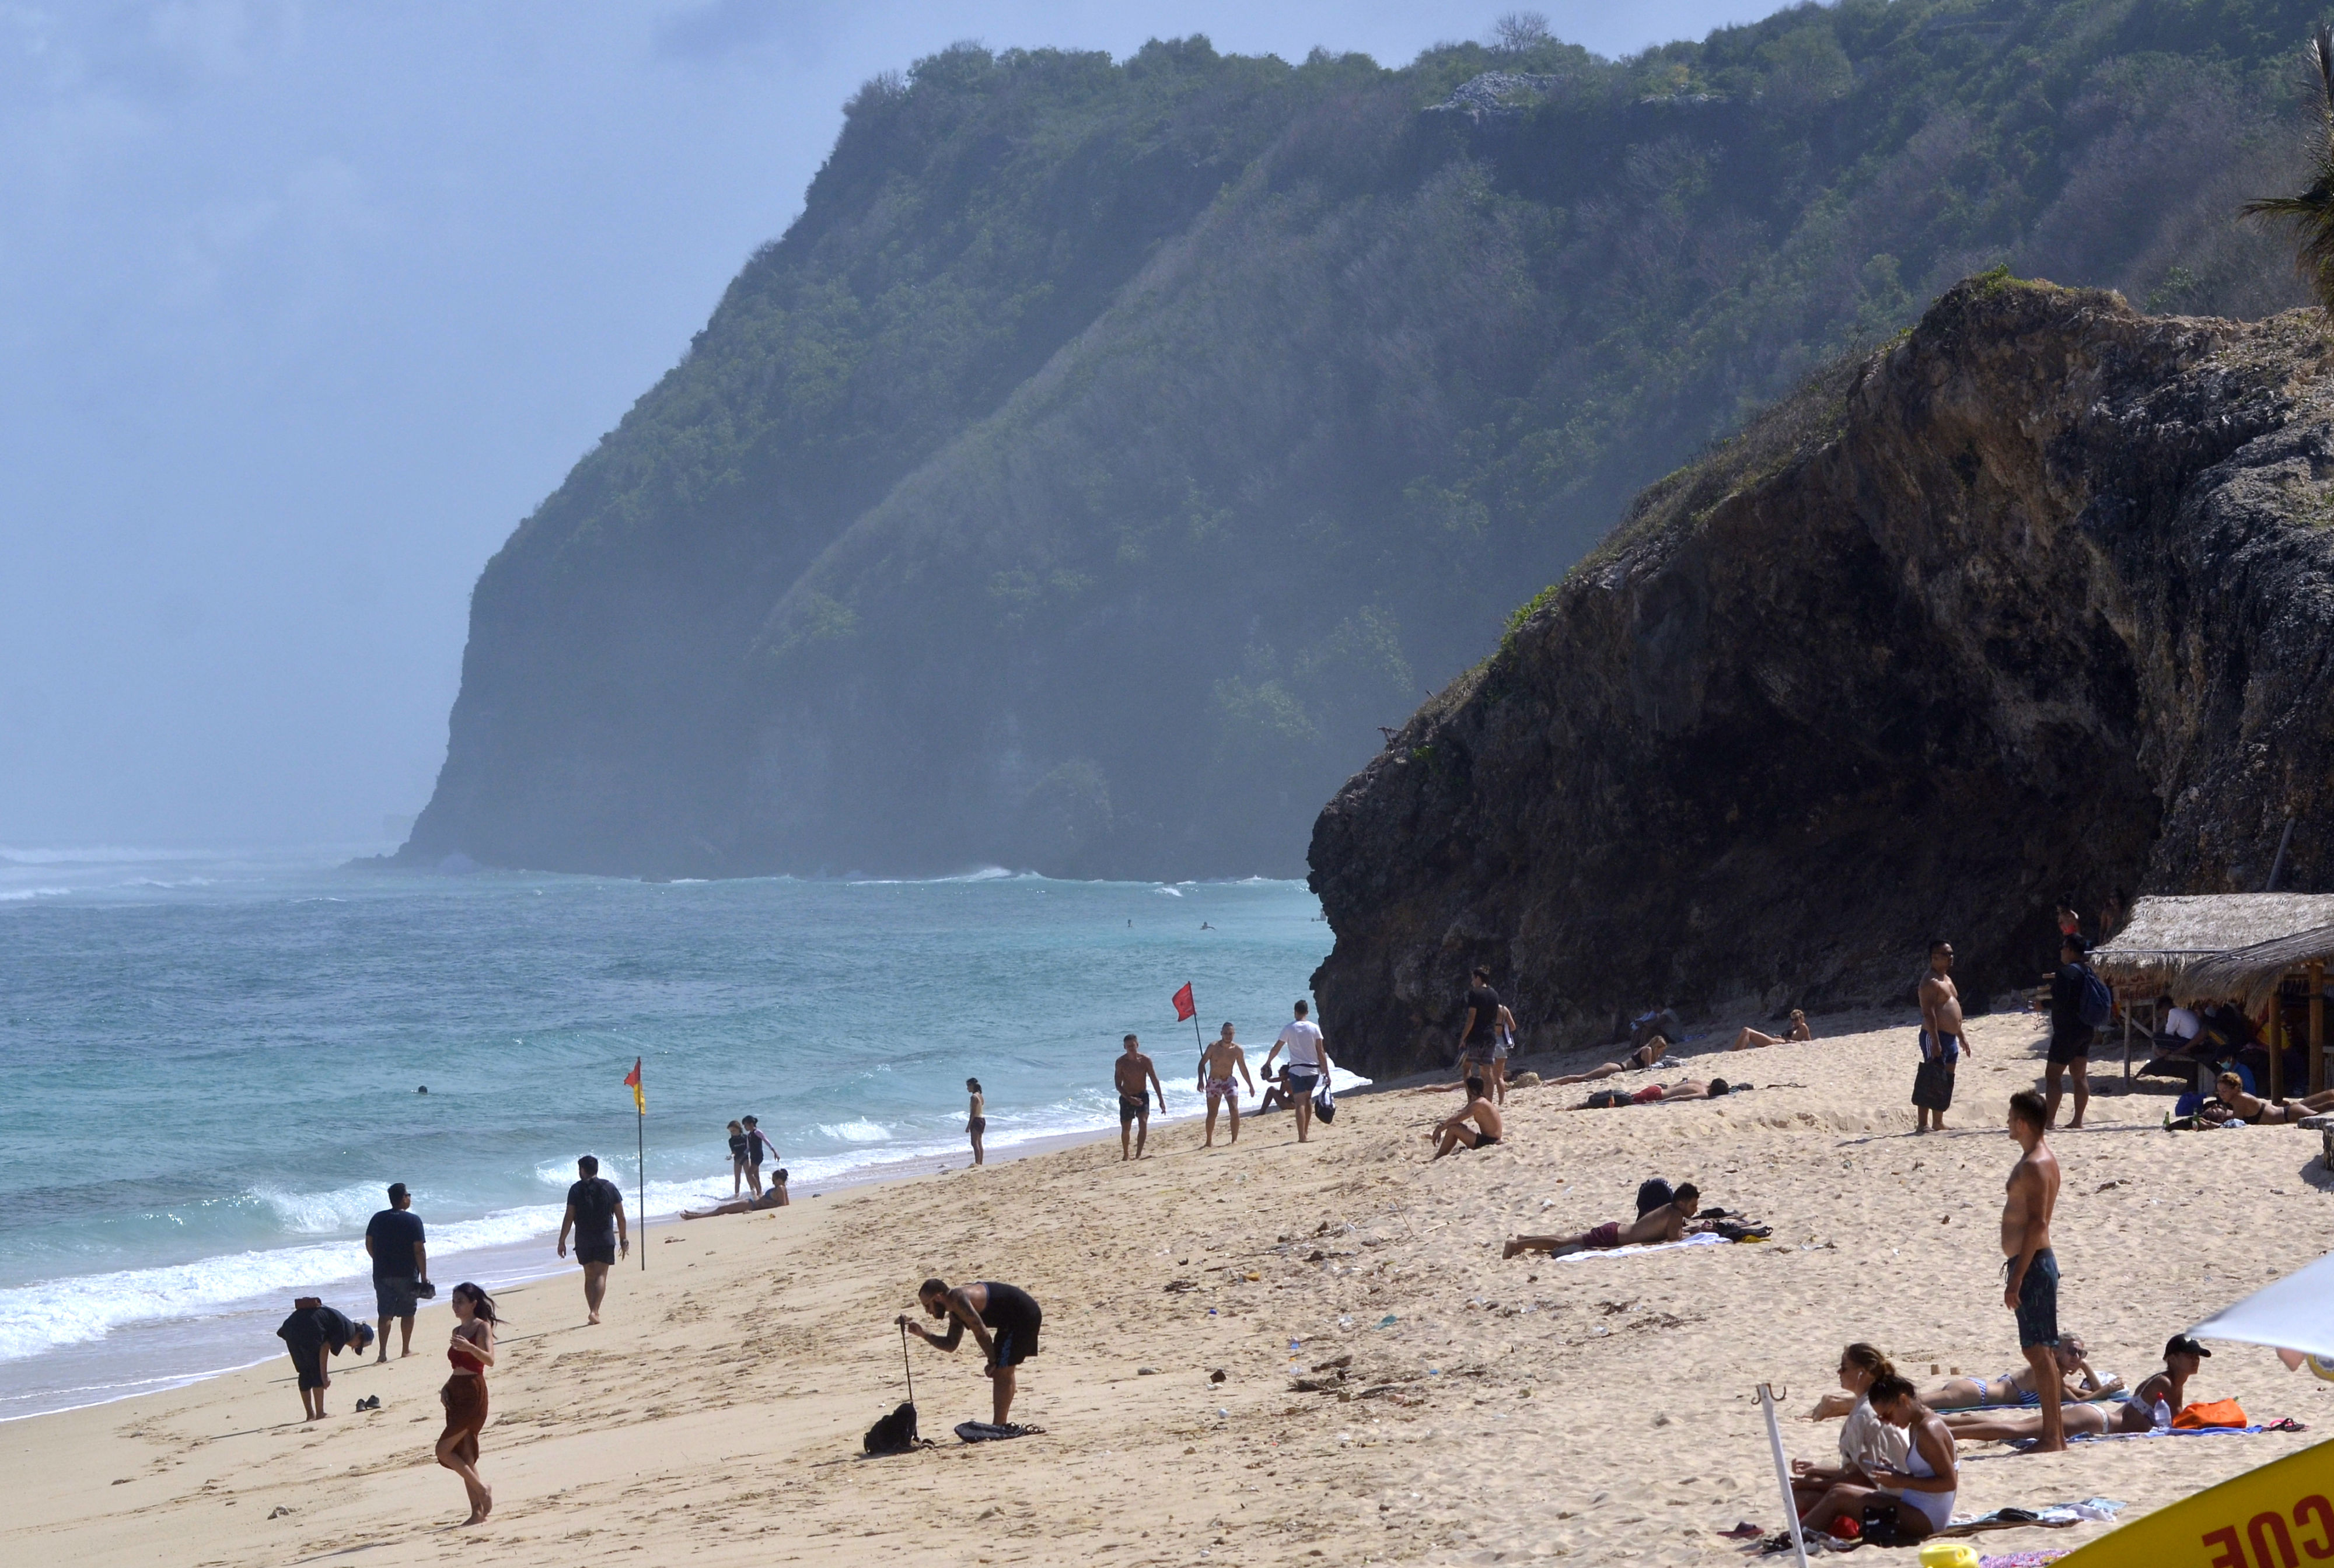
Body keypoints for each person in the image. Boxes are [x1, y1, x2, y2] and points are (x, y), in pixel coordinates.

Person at [1800, 1374, 1956, 1542]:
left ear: (1903, 1400)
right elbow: (1927, 1473)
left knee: (1839, 1496)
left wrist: (1900, 1480)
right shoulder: (1917, 1425)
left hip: (1927, 1519)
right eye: (1881, 1418)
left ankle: (1794, 1539)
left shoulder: (1929, 1430)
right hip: (1918, 1507)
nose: (1887, 1422)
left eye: (1887, 1415)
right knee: (1839, 1490)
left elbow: (1949, 1483)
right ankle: (1797, 1537)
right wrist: (1894, 1472)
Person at [2001, 1088, 2065, 1450]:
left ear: (2023, 1123)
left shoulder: (2036, 1164)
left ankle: (2052, 1436)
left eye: (2011, 1118)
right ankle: (2054, 1435)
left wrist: (2017, 1277)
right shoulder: (2036, 1159)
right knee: (2040, 1352)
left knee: (2039, 1353)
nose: (2008, 1123)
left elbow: (2039, 1223)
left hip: (2035, 1264)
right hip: (2033, 1263)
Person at [899, 1278, 1042, 1426]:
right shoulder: (955, 1312)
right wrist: (923, 1334)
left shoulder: (958, 1298)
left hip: (1024, 1316)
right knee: (1003, 1369)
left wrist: (993, 1361)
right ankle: (1001, 1425)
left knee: (1002, 1371)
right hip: (1009, 1322)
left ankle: (999, 1426)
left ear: (938, 1297)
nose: (928, 1311)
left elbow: (981, 1332)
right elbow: (951, 1345)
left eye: (927, 1306)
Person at [1793, 1344, 1910, 1518]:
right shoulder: (1872, 1403)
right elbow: (1860, 1469)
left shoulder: (1864, 1413)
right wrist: (1816, 1468)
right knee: (1813, 1476)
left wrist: (1811, 1486)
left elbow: (1861, 1477)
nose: (1839, 1372)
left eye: (1844, 1368)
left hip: (1895, 1498)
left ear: (1863, 1372)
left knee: (1801, 1497)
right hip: (1897, 1489)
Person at [1502, 1184, 1701, 1256]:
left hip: (1616, 1232)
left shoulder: (1670, 1209)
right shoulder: (1675, 1214)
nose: (1695, 1210)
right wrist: (1699, 1232)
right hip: (1613, 1237)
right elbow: (1675, 1239)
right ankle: (1517, 1245)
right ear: (1681, 1203)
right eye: (1693, 1206)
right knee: (1564, 1242)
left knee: (1568, 1239)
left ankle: (1525, 1239)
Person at [437, 1282, 497, 1525]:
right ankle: (477, 1512)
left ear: (473, 1304)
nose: (455, 1306)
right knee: (466, 1454)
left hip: (474, 1392)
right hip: (456, 1391)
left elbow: (490, 1360)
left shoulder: (482, 1327)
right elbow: (458, 1366)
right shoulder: (457, 1329)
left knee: (443, 1450)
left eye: (460, 1301)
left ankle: (483, 1490)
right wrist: (446, 1387)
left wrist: (471, 1347)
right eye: (454, 1302)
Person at [556, 1154, 628, 1325]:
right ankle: (595, 1311)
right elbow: (621, 1217)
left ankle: (593, 1312)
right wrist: (623, 1239)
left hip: (584, 1239)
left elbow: (569, 1217)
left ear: (582, 1170)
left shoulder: (575, 1190)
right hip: (605, 1238)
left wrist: (562, 1241)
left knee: (589, 1276)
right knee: (601, 1275)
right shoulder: (609, 1187)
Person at [274, 1298, 373, 1420]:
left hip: (291, 1328)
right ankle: (320, 1413)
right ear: (359, 1335)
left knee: (304, 1372)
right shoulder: (348, 1331)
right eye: (358, 1346)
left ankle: (310, 1415)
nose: (354, 1348)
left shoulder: (343, 1324)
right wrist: (325, 1376)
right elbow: (325, 1348)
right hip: (308, 1328)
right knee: (317, 1372)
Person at [364, 1182, 429, 1362]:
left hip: (382, 1273)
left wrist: (379, 1260)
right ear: (403, 1199)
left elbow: (369, 1244)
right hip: (407, 1273)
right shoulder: (413, 1220)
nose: (410, 1198)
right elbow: (419, 1250)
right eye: (408, 1195)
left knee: (385, 1313)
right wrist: (424, 1276)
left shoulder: (378, 1218)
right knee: (408, 1312)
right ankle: (405, 1349)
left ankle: (382, 1353)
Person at [1262, 999, 1334, 1144]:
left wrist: (1268, 1062)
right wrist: (1327, 1072)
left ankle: (1302, 1136)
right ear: (1307, 1012)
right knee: (1308, 1100)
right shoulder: (1314, 1028)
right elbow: (1321, 1052)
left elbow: (1277, 1048)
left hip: (1297, 1070)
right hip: (1313, 1070)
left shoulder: (1289, 1028)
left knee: (1300, 1102)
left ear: (1295, 1012)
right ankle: (1306, 1132)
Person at [1916, 941, 1969, 1133]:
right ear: (1935, 957)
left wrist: (1961, 1035)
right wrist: (1935, 1041)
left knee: (1946, 1079)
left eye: (1952, 953)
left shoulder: (1947, 979)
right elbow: (1929, 1013)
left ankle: (1938, 1121)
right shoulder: (1930, 982)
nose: (1951, 957)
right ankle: (1923, 1123)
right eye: (1946, 954)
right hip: (1934, 1036)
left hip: (1951, 1037)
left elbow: (1953, 1009)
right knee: (1931, 1075)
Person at [2046, 935, 2095, 1128]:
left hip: (2067, 1031)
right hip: (2086, 1028)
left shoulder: (2065, 973)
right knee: (2080, 1076)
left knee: (2053, 1076)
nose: (2061, 950)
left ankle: (2050, 1121)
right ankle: (2078, 1121)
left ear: (2071, 950)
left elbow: (2061, 1001)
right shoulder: (2088, 971)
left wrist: (2043, 1004)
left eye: (2063, 947)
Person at [2200, 1068, 2334, 1122]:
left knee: (2325, 1111)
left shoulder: (2239, 1100)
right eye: (2219, 1091)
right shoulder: (2241, 1097)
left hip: (2289, 1114)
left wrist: (2211, 1125)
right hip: (2288, 1112)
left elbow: (2235, 1124)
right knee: (2327, 1105)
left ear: (2235, 1089)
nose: (2221, 1095)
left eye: (2224, 1091)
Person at [1197, 1023, 1256, 1147]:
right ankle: (1209, 1141)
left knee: (1234, 1109)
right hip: (1214, 1081)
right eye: (1225, 1033)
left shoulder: (1237, 1050)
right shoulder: (1213, 1047)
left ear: (1234, 1034)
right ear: (1221, 1033)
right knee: (1212, 1113)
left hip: (1229, 1081)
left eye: (1230, 1034)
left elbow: (1243, 1068)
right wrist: (1201, 1081)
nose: (1228, 1036)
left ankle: (1234, 1140)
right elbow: (1202, 1064)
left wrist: (1250, 1085)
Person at [1114, 1034, 1166, 1160]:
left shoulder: (1145, 1060)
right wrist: (1130, 1099)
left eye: (1133, 1045)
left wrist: (1161, 1100)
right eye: (1128, 1046)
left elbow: (1154, 1080)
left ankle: (1138, 1155)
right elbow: (1118, 1085)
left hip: (1142, 1095)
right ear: (1124, 1047)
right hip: (1127, 1096)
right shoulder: (1121, 1062)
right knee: (1126, 1127)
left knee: (1143, 1122)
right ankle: (1126, 1154)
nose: (1131, 1048)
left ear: (1137, 1045)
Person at [1428, 1076, 1504, 1158]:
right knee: (1455, 1126)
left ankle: (1438, 1157)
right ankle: (1441, 1155)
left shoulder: (1478, 1104)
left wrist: (1440, 1128)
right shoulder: (1482, 1101)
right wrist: (1443, 1126)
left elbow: (1457, 1119)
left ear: (1471, 1089)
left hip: (1489, 1141)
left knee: (1453, 1128)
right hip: (1490, 1138)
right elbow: (1459, 1116)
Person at [1456, 965, 1503, 1093]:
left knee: (1466, 1068)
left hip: (1475, 1037)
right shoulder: (1495, 994)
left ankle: (1471, 1098)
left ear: (1478, 978)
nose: (1472, 982)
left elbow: (1471, 1018)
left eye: (1473, 978)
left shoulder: (1475, 994)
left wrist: (1463, 1037)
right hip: (1490, 1036)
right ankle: (1489, 1101)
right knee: (1487, 1072)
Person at [1545, 1040, 1675, 1084]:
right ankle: (1551, 1082)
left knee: (1584, 1078)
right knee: (1582, 1078)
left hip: (1617, 1067)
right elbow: (1648, 1067)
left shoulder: (1647, 1049)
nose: (1661, 1052)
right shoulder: (1648, 1050)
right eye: (1661, 1050)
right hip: (1617, 1068)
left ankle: (1552, 1082)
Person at [682, 1169, 789, 1217]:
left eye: (774, 1180)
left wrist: (764, 1204)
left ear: (779, 1180)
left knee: (722, 1209)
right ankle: (697, 1214)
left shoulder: (780, 1188)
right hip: (753, 1203)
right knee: (722, 1209)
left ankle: (696, 1217)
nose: (773, 1182)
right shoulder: (783, 1188)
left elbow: (782, 1205)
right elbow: (786, 1204)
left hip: (752, 1204)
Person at [1577, 1077, 1737, 1108]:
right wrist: (1660, 1103)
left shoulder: (1700, 1082)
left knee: (1630, 1097)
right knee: (1626, 1100)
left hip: (1659, 1088)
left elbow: (1682, 1083)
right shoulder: (1703, 1093)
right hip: (1658, 1095)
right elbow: (1681, 1097)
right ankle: (1590, 1103)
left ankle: (1595, 1100)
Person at [1730, 1010, 1812, 1051]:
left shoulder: (1803, 1027)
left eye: (1796, 1019)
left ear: (1802, 1019)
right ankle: (1734, 1050)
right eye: (1792, 1020)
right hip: (1775, 1041)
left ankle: (1739, 1051)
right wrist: (1782, 1036)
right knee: (1745, 1031)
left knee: (1747, 1031)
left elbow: (1809, 1043)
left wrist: (1794, 1042)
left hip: (1777, 1044)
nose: (1794, 1022)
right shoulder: (1795, 1028)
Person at [741, 1115, 776, 1198]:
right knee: (756, 1176)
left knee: (750, 1173)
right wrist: (742, 1156)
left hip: (758, 1156)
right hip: (753, 1157)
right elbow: (749, 1148)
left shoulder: (758, 1132)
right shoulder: (749, 1135)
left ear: (751, 1124)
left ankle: (759, 1192)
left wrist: (774, 1151)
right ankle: (760, 1193)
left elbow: (766, 1141)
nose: (745, 1127)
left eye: (746, 1125)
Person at [965, 1079, 987, 1166]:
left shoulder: (974, 1097)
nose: (967, 1088)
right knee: (979, 1142)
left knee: (974, 1143)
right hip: (982, 1119)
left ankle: (977, 1162)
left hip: (976, 1120)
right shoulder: (980, 1095)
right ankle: (980, 1162)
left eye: (968, 1086)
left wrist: (968, 1126)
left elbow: (973, 1113)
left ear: (972, 1086)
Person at [726, 1121, 750, 1195]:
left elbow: (748, 1149)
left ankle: (753, 1191)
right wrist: (731, 1156)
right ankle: (737, 1195)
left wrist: (744, 1156)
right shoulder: (731, 1140)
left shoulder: (745, 1137)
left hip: (745, 1159)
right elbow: (734, 1151)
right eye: (731, 1131)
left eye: (734, 1130)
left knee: (749, 1176)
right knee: (737, 1179)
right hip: (737, 1160)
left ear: (739, 1129)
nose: (732, 1132)